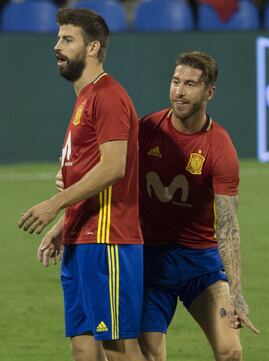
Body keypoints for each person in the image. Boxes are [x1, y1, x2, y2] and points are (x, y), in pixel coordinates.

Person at [17, 9, 145, 361]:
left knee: (119, 349)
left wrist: (53, 204)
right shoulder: (85, 98)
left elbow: (113, 168)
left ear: (92, 48)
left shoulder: (107, 96)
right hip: (82, 238)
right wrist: (65, 225)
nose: (57, 46)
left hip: (108, 240)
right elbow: (89, 174)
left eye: (67, 40)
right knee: (83, 348)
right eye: (58, 38)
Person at [138, 51, 259, 361]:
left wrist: (237, 294)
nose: (179, 91)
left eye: (190, 84)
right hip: (150, 262)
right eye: (176, 81)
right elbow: (107, 177)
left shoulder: (219, 146)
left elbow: (228, 226)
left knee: (231, 351)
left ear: (209, 92)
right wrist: (63, 222)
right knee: (149, 354)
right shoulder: (145, 130)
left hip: (200, 264)